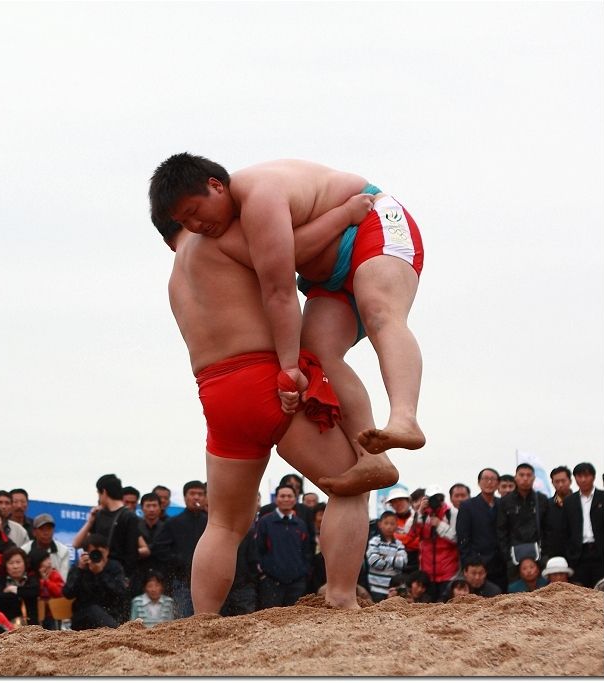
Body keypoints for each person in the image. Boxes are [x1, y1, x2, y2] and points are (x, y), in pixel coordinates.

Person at [150, 214, 396, 613]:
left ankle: (203, 620)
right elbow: (288, 249)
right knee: (351, 482)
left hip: (217, 393)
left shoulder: (176, 280)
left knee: (224, 524)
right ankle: (341, 596)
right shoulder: (216, 238)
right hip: (264, 377)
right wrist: (346, 214)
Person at [149, 152, 426, 462]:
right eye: (184, 222)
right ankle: (371, 457)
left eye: (194, 212)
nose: (195, 226)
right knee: (318, 353)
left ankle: (405, 418)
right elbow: (288, 256)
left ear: (216, 186)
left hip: (372, 223)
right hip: (330, 273)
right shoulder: (232, 224)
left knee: (380, 312)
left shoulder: (259, 195)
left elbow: (280, 292)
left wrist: (289, 368)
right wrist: (340, 215)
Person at [151, 481, 208, 617]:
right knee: (184, 618)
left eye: (200, 494)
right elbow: (159, 549)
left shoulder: (211, 523)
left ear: (205, 497)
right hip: (182, 582)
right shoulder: (173, 523)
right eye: (192, 494)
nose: (196, 497)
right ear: (185, 497)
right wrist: (179, 561)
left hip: (208, 581)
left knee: (208, 617)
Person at [255, 484, 314, 608]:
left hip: (297, 583)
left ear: (295, 499)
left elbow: (306, 551)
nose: (286, 499)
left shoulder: (300, 524)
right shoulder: (265, 522)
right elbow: (258, 549)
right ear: (276, 499)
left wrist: (304, 572)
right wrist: (264, 574)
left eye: (289, 496)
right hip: (271, 582)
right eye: (282, 496)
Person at [72, 474, 141, 580]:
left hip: (118, 577)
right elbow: (76, 544)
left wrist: (125, 579)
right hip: (96, 575)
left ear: (104, 492)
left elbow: (131, 555)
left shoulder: (129, 517)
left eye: (98, 493)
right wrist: (90, 522)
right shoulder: (98, 515)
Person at [496, 463, 549, 582]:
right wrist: (507, 556)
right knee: (516, 593)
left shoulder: (541, 499)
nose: (525, 478)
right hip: (513, 557)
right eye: (521, 475)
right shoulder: (505, 501)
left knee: (541, 594)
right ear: (516, 477)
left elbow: (548, 528)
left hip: (538, 555)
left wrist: (544, 552)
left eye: (529, 475)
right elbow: (501, 530)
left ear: (534, 478)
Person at [62, 534, 128, 630]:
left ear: (107, 551)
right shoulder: (79, 568)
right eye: (94, 552)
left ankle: (116, 632)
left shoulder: (114, 567)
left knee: (104, 613)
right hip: (83, 617)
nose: (98, 556)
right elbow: (68, 593)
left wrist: (101, 573)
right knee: (94, 610)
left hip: (110, 614)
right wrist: (80, 570)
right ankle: (117, 633)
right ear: (86, 553)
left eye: (101, 552)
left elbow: (121, 592)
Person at [456, 468, 506, 591]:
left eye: (493, 479)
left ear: (498, 483)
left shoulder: (503, 504)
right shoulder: (467, 506)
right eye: (485, 479)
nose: (489, 482)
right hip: (477, 564)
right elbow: (463, 537)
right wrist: (468, 562)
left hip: (499, 563)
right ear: (479, 482)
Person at [406, 489, 459, 600]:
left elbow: (456, 538)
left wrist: (439, 525)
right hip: (427, 574)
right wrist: (419, 512)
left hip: (448, 573)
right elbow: (411, 535)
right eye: (431, 498)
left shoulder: (451, 513)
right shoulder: (423, 514)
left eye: (437, 497)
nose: (435, 501)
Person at [563, 462, 604, 589]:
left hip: (601, 552)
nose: (583, 479)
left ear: (593, 477)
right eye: (579, 476)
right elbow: (565, 530)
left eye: (586, 476)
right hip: (578, 554)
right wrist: (569, 553)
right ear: (575, 479)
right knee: (581, 592)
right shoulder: (569, 501)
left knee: (602, 590)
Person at [365, 511, 408, 602]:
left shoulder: (399, 544)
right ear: (380, 524)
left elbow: (403, 562)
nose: (389, 526)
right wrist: (394, 563)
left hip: (393, 589)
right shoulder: (375, 541)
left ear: (396, 525)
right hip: (376, 588)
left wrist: (384, 557)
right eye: (386, 523)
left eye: (392, 524)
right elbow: (373, 561)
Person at [0, 547, 39, 628]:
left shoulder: (32, 578)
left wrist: (14, 590)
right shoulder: (1, 580)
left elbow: (34, 592)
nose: (15, 566)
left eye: (18, 562)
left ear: (25, 563)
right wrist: (22, 594)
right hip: (7, 625)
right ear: (5, 565)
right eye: (11, 563)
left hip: (31, 625)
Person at [21, 514, 71, 581]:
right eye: (42, 529)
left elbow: (63, 580)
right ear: (34, 532)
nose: (46, 533)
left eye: (49, 529)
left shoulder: (63, 551)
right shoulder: (24, 550)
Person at [28, 547, 65, 630]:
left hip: (53, 613)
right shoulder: (32, 577)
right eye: (45, 560)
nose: (49, 562)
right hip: (37, 613)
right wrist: (41, 582)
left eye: (49, 558)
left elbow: (60, 592)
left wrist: (47, 581)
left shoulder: (54, 574)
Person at [385, 487, 418, 573]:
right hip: (396, 565)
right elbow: (390, 541)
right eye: (394, 501)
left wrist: (401, 539)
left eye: (401, 499)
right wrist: (410, 538)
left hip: (418, 563)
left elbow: (419, 542)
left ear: (408, 501)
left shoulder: (418, 518)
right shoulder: (389, 521)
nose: (398, 503)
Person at [543, 466, 573, 560]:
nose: (560, 484)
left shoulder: (579, 502)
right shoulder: (546, 505)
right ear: (552, 483)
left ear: (570, 481)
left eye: (563, 481)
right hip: (554, 555)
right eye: (557, 481)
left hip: (577, 554)